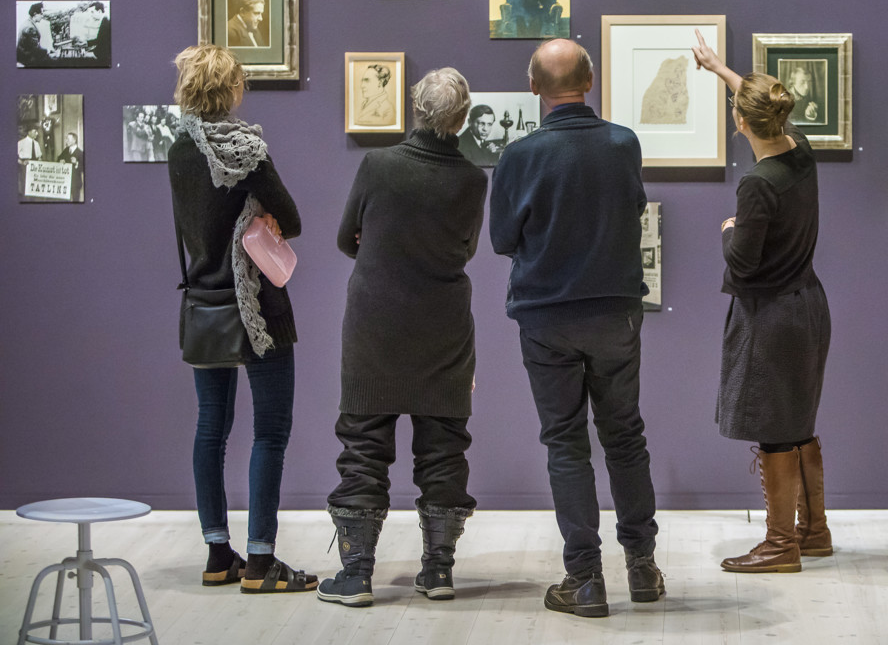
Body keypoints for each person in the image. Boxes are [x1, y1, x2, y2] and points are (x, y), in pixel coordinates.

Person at [489, 39, 664, 618]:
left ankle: (585, 579)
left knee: (565, 443)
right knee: (625, 436)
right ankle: (643, 568)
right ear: (590, 80)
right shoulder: (623, 143)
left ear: (533, 87)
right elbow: (634, 208)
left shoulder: (519, 156)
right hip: (615, 311)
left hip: (546, 315)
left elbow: (502, 241)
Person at [319, 68, 486, 608]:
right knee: (443, 448)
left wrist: (381, 242)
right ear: (461, 119)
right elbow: (465, 250)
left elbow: (348, 238)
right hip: (443, 324)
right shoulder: (472, 179)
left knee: (364, 446)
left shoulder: (379, 165)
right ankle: (437, 572)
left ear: (415, 109)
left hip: (376, 322)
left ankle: (357, 574)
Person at [167, 43, 315, 594]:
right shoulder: (246, 147)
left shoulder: (180, 150)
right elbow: (292, 219)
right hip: (259, 309)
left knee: (211, 430)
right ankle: (260, 561)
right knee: (269, 434)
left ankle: (216, 554)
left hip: (205, 304)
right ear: (232, 90)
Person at [691, 29, 833, 574]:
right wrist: (721, 69)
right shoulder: (800, 154)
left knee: (775, 426)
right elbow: (766, 106)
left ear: (741, 123)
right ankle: (812, 531)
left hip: (770, 316)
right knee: (799, 419)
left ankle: (779, 545)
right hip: (808, 307)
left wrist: (728, 228)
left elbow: (741, 263)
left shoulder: (757, 183)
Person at [17, 3, 52, 67]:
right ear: (35, 14)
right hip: (27, 60)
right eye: (41, 14)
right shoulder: (30, 28)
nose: (42, 16)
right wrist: (48, 51)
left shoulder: (27, 23)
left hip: (24, 57)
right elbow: (35, 50)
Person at [57, 133, 84, 201]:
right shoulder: (66, 150)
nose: (66, 141)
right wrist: (60, 160)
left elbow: (84, 168)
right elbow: (58, 159)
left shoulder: (80, 153)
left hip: (75, 183)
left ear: (74, 140)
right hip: (65, 182)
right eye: (66, 139)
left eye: (68, 139)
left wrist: (77, 163)